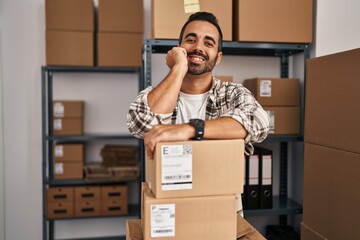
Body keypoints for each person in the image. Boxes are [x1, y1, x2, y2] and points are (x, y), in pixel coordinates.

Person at [127, 11, 269, 159]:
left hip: (218, 181)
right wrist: (178, 67)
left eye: (208, 43)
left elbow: (260, 122)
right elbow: (141, 125)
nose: (198, 48)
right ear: (178, 48)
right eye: (190, 40)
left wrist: (190, 129)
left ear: (218, 57)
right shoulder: (154, 94)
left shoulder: (232, 93)